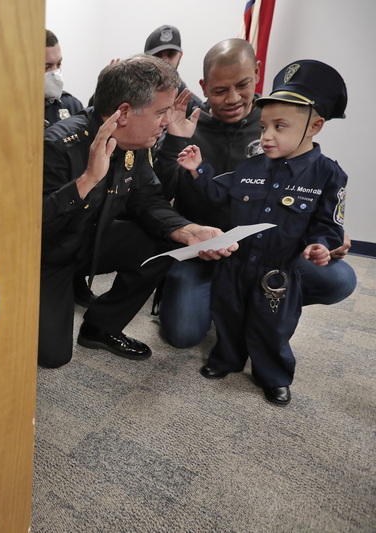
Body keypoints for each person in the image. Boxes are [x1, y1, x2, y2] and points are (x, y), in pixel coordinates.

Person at [153, 39, 356, 349]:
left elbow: (307, 186)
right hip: (202, 249)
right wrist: (174, 143)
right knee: (183, 334)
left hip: (268, 252)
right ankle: (203, 294)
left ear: (258, 73)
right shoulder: (186, 122)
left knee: (339, 279)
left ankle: (264, 304)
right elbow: (161, 191)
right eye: (220, 90)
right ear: (204, 87)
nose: (233, 99)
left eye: (243, 85)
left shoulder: (280, 117)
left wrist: (325, 238)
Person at [39, 54, 237, 369]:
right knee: (52, 357)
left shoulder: (139, 142)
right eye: (161, 112)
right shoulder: (58, 146)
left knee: (165, 240)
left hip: (90, 241)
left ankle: (101, 327)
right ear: (125, 112)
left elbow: (148, 199)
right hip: (46, 257)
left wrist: (187, 230)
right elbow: (32, 227)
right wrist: (87, 180)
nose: (165, 121)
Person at [176, 59, 349, 405]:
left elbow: (329, 224)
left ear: (315, 126)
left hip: (278, 269)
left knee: (273, 325)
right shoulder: (252, 166)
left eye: (279, 127)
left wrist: (320, 246)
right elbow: (222, 197)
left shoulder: (328, 175)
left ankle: (273, 374)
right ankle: (226, 358)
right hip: (235, 264)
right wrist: (199, 171)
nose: (267, 135)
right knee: (229, 314)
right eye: (264, 127)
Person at [144, 24, 201, 116]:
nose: (165, 61)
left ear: (180, 56)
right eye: (157, 55)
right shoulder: (131, 99)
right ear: (145, 59)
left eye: (171, 54)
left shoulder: (193, 107)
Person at [45, 29, 84, 129]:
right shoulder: (12, 111)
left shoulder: (70, 104)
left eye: (59, 64)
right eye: (46, 67)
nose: (56, 73)